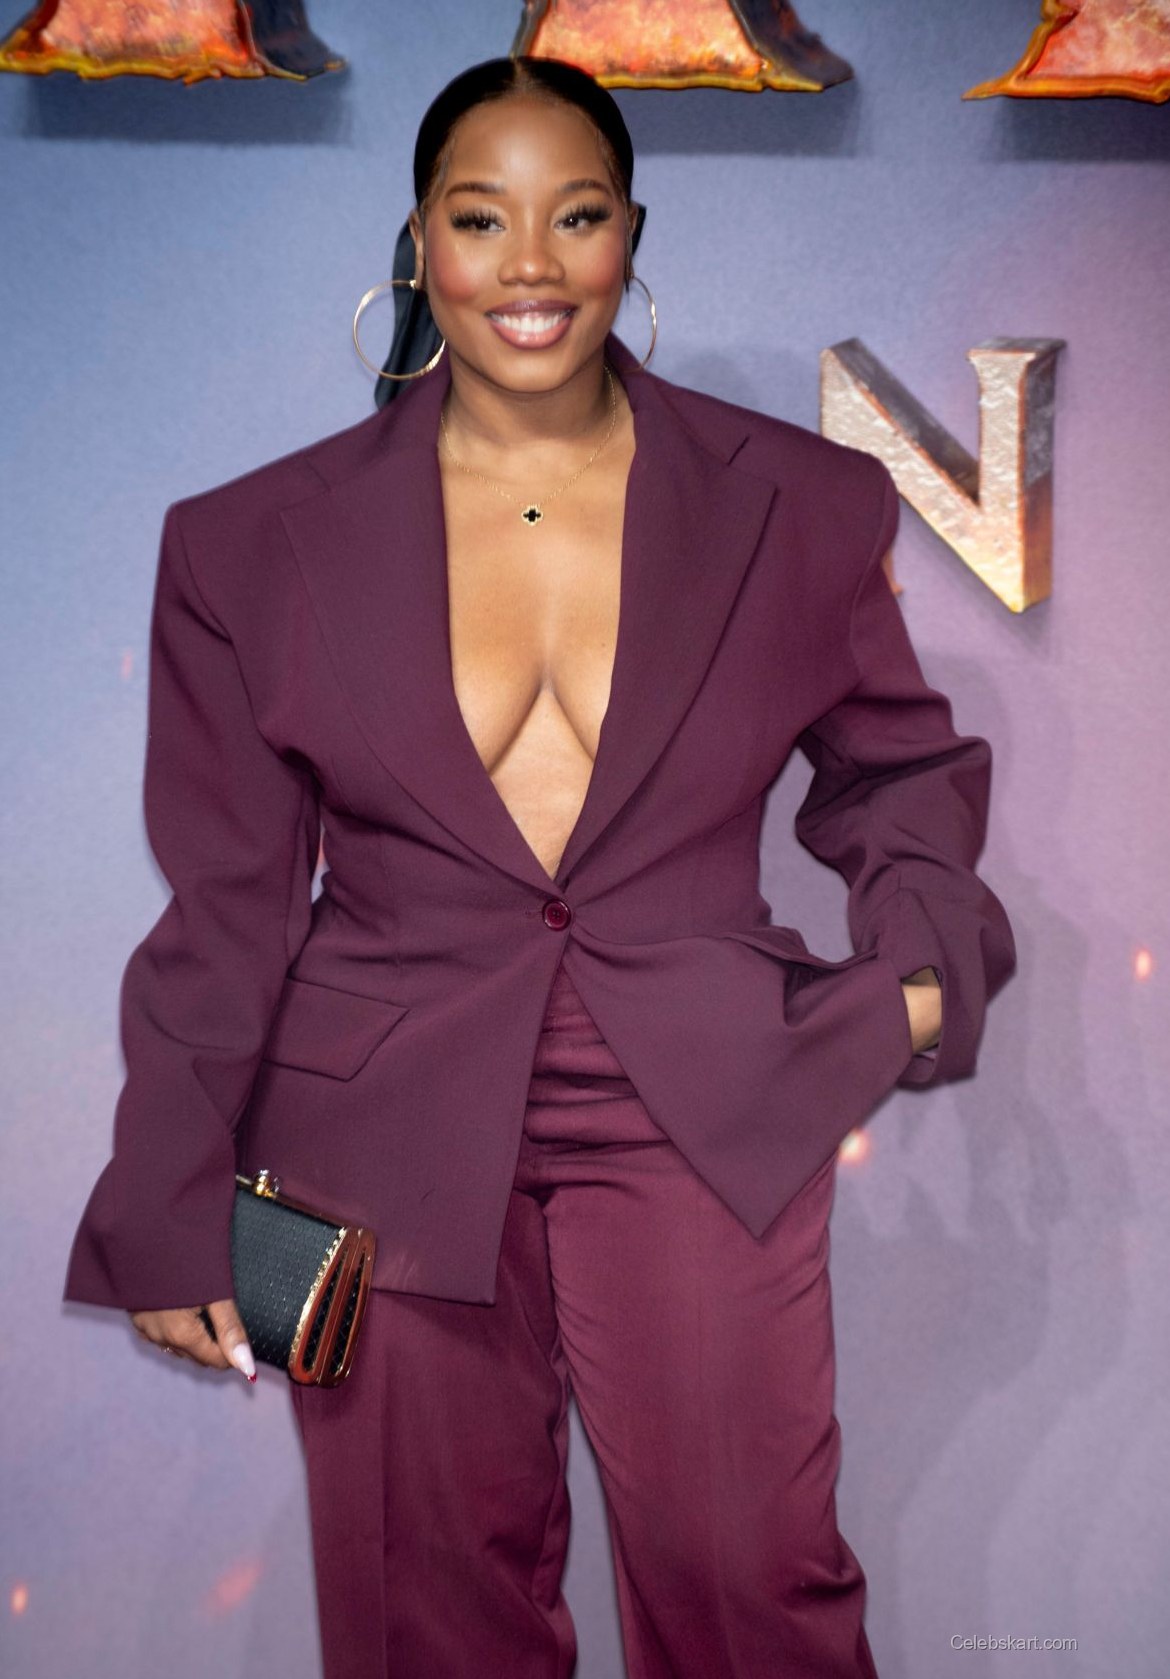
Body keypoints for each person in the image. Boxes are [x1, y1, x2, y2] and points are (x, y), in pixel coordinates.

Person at [63, 54, 1016, 1679]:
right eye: (478, 217)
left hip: (702, 1094)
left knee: (751, 1584)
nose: (527, 264)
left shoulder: (800, 501)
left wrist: (925, 968)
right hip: (370, 1126)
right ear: (417, 240)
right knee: (422, 1608)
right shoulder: (246, 542)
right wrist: (163, 1200)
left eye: (574, 216)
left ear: (630, 236)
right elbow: (224, 903)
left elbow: (896, 772)